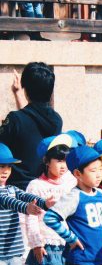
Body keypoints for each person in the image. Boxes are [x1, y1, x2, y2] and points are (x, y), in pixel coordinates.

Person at [25, 135, 76, 265]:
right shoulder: (35, 186)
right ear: (47, 161)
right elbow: (31, 217)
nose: (63, 166)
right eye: (58, 160)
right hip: (46, 242)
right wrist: (36, 243)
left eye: (65, 160)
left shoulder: (71, 182)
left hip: (64, 241)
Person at [2, 62, 62, 190]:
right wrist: (17, 93)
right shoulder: (56, 120)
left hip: (18, 189)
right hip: (47, 188)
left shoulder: (15, 119)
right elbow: (31, 117)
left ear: (26, 90)